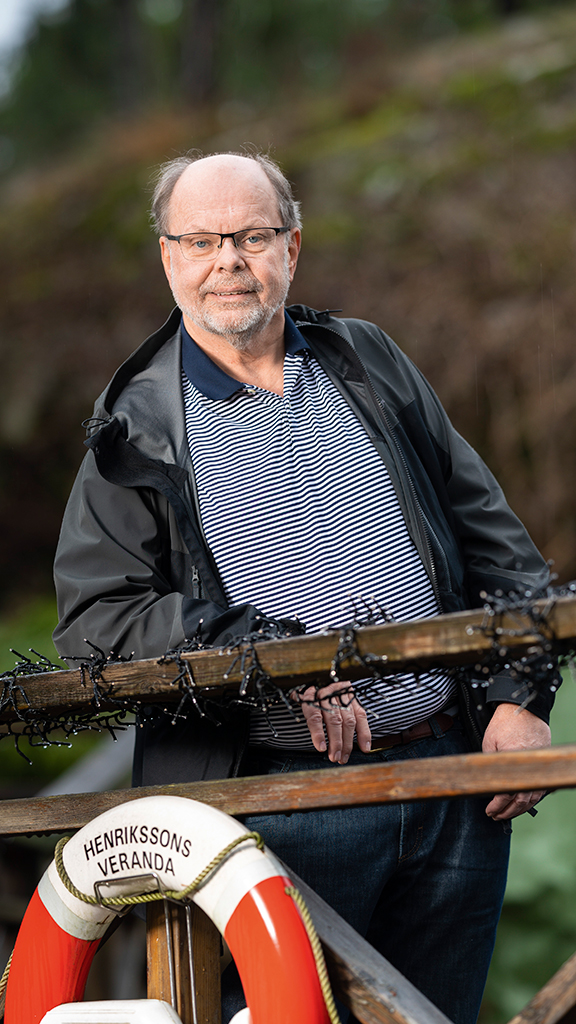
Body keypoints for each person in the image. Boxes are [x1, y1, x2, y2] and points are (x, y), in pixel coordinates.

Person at [53, 151, 555, 1024]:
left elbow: (498, 546)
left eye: (251, 236)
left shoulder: (369, 360)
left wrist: (518, 696)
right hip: (270, 811)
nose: (228, 261)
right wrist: (267, 656)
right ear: (168, 255)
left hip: (450, 786)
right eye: (201, 240)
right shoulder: (132, 424)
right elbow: (97, 617)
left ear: (293, 245)